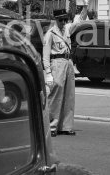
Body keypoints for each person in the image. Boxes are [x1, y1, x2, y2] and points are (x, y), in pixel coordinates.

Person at [42, 8, 77, 137]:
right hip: (57, 63)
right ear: (55, 20)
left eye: (65, 19)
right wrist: (48, 73)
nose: (63, 22)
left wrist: (84, 6)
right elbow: (45, 56)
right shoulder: (50, 33)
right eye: (61, 20)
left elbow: (79, 22)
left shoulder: (66, 29)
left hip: (68, 63)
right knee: (55, 96)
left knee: (69, 95)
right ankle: (51, 125)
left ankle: (66, 126)